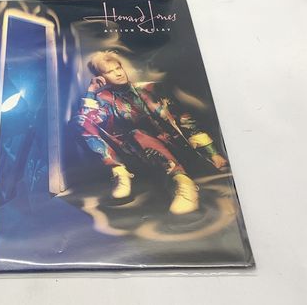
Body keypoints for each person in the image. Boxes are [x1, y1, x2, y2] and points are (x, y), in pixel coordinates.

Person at [74, 51, 228, 214]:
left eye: (118, 68)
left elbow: (183, 118)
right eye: (109, 72)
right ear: (101, 77)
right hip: (136, 155)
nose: (118, 73)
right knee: (81, 121)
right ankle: (120, 173)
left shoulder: (150, 89)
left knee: (138, 134)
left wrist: (212, 152)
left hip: (174, 146)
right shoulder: (103, 98)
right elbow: (87, 120)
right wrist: (91, 91)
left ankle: (184, 183)